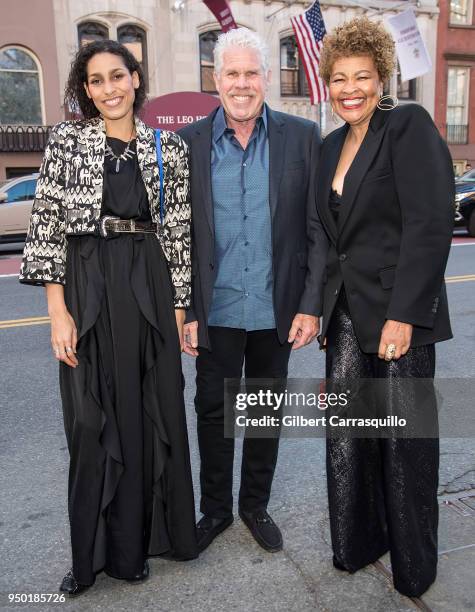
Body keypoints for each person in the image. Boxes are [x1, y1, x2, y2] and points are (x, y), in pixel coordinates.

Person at [19, 40, 198, 596]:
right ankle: (88, 557)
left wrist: (179, 315)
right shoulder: (67, 141)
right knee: (91, 423)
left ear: (136, 79)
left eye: (117, 77)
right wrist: (57, 311)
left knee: (150, 415)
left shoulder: (167, 148)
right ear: (86, 89)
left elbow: (177, 236)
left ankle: (144, 544)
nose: (109, 90)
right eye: (95, 81)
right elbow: (46, 225)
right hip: (88, 280)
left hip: (148, 282)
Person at [316, 17, 454, 598]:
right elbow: (327, 240)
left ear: (382, 78)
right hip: (346, 314)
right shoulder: (327, 148)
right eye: (340, 79)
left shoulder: (406, 126)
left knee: (406, 445)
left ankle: (415, 566)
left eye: (363, 77)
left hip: (398, 312)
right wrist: (316, 311)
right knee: (350, 437)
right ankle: (359, 542)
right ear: (327, 84)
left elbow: (428, 224)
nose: (351, 88)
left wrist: (406, 313)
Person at [179, 27, 327, 554]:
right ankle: (215, 510)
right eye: (231, 73)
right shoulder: (187, 143)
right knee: (213, 413)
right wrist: (184, 308)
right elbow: (180, 238)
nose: (242, 84)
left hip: (276, 307)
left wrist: (311, 305)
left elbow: (316, 229)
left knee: (264, 410)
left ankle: (253, 506)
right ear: (216, 79)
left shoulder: (301, 137)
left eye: (251, 73)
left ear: (266, 79)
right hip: (214, 309)